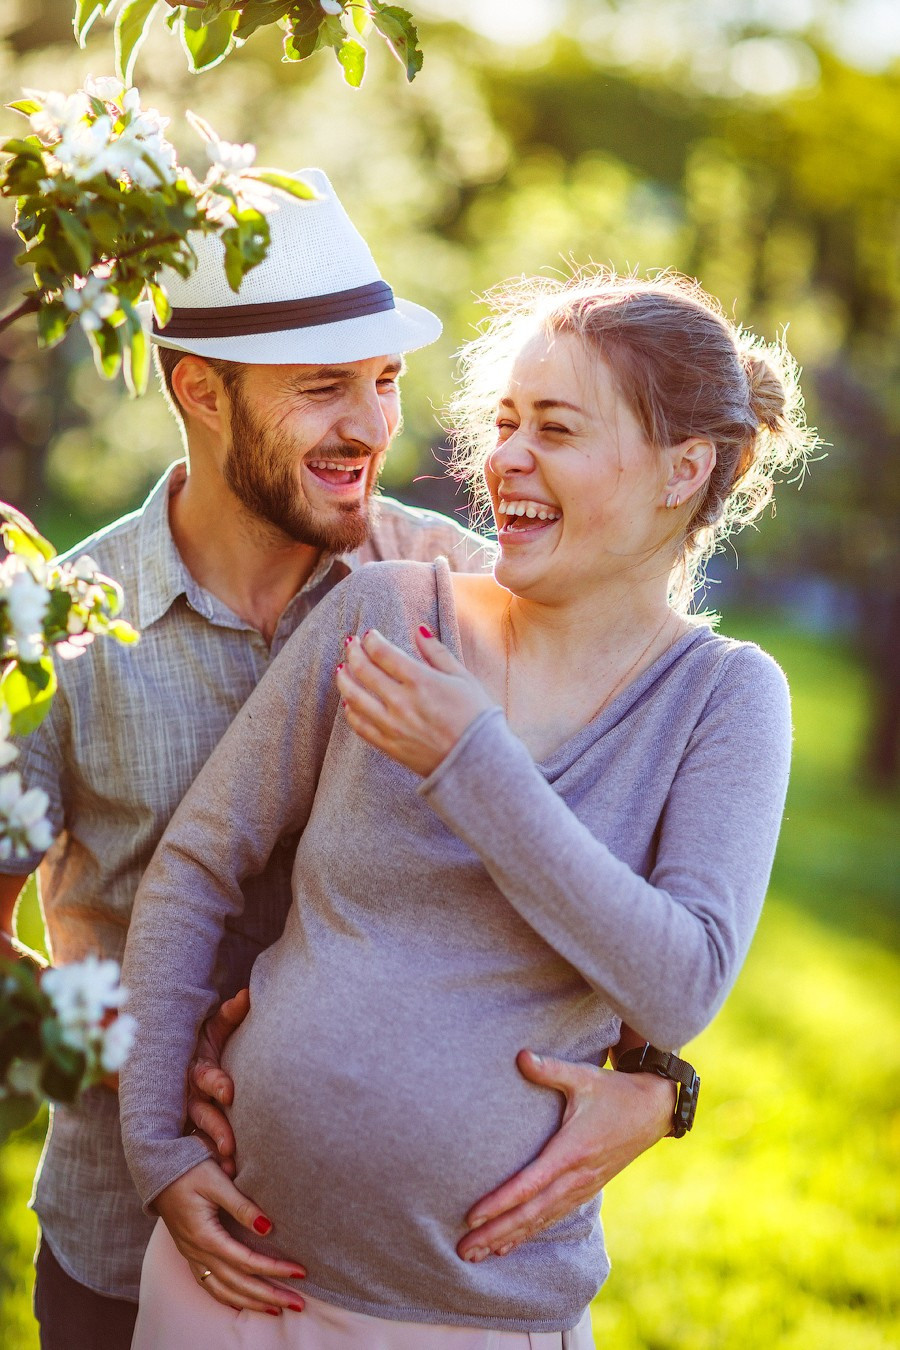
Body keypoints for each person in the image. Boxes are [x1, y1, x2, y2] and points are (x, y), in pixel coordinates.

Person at [0, 176, 674, 1350]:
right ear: (198, 389)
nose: (370, 427)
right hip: (125, 1251)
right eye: (323, 388)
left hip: (410, 1285)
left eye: (383, 382)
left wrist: (661, 1087)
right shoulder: (62, 636)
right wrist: (136, 1067)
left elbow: (623, 876)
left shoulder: (459, 594)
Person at [118, 268, 812, 1348]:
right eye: (506, 421)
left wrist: (472, 763)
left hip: (471, 1317)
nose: (509, 460)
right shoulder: (388, 614)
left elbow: (677, 988)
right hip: (231, 1287)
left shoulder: (725, 700)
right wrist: (157, 1142)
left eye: (558, 429)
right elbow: (200, 862)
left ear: (686, 470)